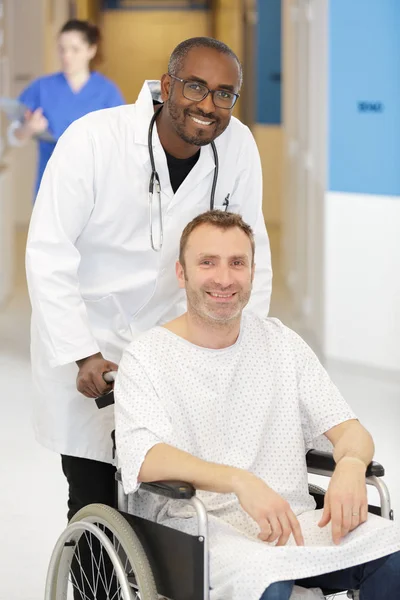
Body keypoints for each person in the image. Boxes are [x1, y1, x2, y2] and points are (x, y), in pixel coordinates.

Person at [25, 38, 272, 525]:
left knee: (174, 498)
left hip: (177, 345)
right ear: (167, 86)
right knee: (96, 499)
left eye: (225, 94)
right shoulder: (94, 139)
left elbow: (251, 250)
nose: (208, 105)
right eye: (196, 87)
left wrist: (245, 348)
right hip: (94, 342)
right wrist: (83, 351)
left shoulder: (237, 144)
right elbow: (49, 251)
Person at [114, 210, 400, 600]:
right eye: (207, 263)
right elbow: (144, 456)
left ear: (252, 272)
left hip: (295, 523)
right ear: (182, 273)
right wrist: (238, 480)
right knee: (267, 578)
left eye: (237, 263)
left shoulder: (281, 344)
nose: (224, 279)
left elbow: (350, 430)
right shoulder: (148, 356)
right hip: (199, 528)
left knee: (392, 548)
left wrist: (350, 465)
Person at [8, 19, 124, 197]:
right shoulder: (41, 88)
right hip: (51, 185)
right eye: (62, 49)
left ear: (91, 50)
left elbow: (121, 141)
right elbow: (14, 136)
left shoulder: (107, 92)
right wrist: (28, 129)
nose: (66, 56)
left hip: (94, 188)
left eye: (74, 49)